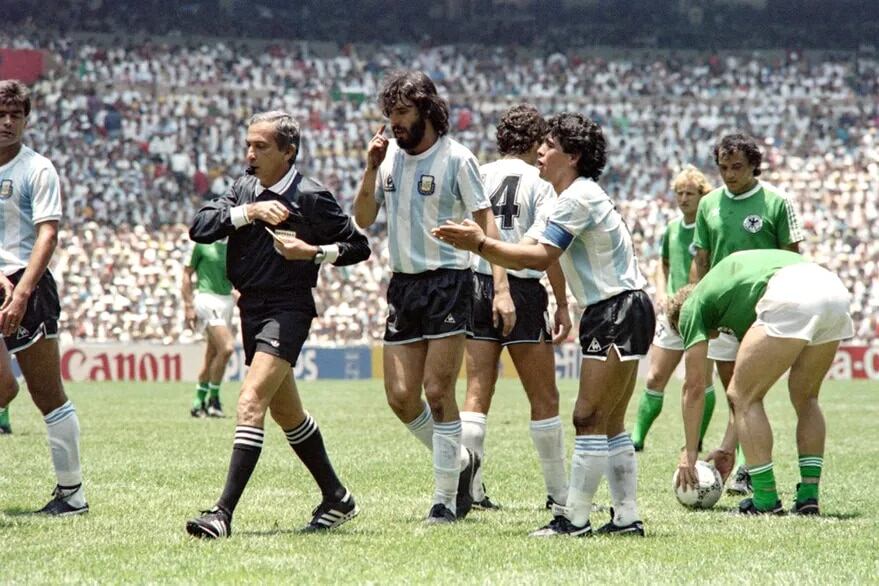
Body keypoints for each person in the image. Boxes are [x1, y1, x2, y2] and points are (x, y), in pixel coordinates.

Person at [435, 112, 655, 537]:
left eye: (550, 145)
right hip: (617, 307)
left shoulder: (577, 197)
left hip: (616, 309)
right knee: (609, 421)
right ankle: (626, 518)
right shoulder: (564, 197)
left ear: (571, 156)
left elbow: (539, 259)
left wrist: (478, 244)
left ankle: (572, 519)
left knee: (588, 416)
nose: (540, 150)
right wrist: (486, 247)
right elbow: (526, 246)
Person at [185, 110, 370, 538]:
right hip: (250, 308)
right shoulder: (243, 189)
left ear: (288, 152)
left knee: (250, 402)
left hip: (288, 309)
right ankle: (337, 497)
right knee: (288, 413)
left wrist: (312, 252)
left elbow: (358, 246)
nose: (250, 153)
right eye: (248, 144)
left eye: (260, 146)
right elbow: (200, 227)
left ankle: (222, 514)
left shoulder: (311, 196)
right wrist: (249, 212)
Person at [353, 69, 514, 524]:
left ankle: (444, 501)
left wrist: (500, 289)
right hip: (403, 285)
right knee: (402, 396)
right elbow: (364, 218)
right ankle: (461, 461)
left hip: (449, 281)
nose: (395, 122)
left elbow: (487, 225)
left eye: (402, 112)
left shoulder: (458, 159)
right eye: (390, 114)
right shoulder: (387, 161)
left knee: (438, 390)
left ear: (427, 109)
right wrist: (368, 167)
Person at [668, 249, 852, 515]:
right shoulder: (730, 300)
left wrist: (689, 451)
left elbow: (694, 386)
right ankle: (809, 496)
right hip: (832, 288)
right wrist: (727, 448)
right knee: (806, 397)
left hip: (791, 291)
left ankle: (765, 500)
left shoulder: (690, 307)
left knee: (744, 396)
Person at [459, 104, 572, 511]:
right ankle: (560, 495)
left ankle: (470, 492)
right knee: (544, 397)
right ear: (535, 141)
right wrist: (561, 304)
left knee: (476, 391)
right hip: (521, 287)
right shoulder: (540, 182)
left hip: (476, 284)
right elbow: (548, 251)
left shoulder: (478, 175)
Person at [692, 133, 805, 494]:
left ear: (755, 165)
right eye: (723, 168)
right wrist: (700, 301)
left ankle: (746, 468)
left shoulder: (776, 201)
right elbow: (702, 259)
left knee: (747, 391)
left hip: (765, 309)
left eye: (737, 167)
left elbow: (793, 256)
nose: (729, 175)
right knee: (734, 393)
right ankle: (743, 462)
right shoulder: (708, 205)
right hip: (723, 311)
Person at [0, 79, 88, 515]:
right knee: (2, 387)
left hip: (27, 285)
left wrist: (20, 292)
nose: (7, 123)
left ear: (26, 120)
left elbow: (47, 233)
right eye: (1, 115)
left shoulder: (38, 169)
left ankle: (72, 494)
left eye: (15, 115)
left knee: (47, 392)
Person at [631, 165, 714, 452]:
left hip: (703, 312)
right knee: (655, 376)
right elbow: (662, 265)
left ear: (702, 195)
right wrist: (664, 292)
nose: (684, 198)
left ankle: (696, 440)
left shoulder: (710, 228)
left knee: (700, 380)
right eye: (679, 193)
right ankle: (637, 437)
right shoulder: (672, 229)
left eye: (690, 193)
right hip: (672, 312)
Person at [182, 239, 235, 418]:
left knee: (212, 353)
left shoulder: (235, 243)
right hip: (206, 299)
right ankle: (214, 399)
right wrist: (188, 305)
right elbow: (187, 273)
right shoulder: (202, 243)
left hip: (227, 301)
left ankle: (198, 403)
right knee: (227, 348)